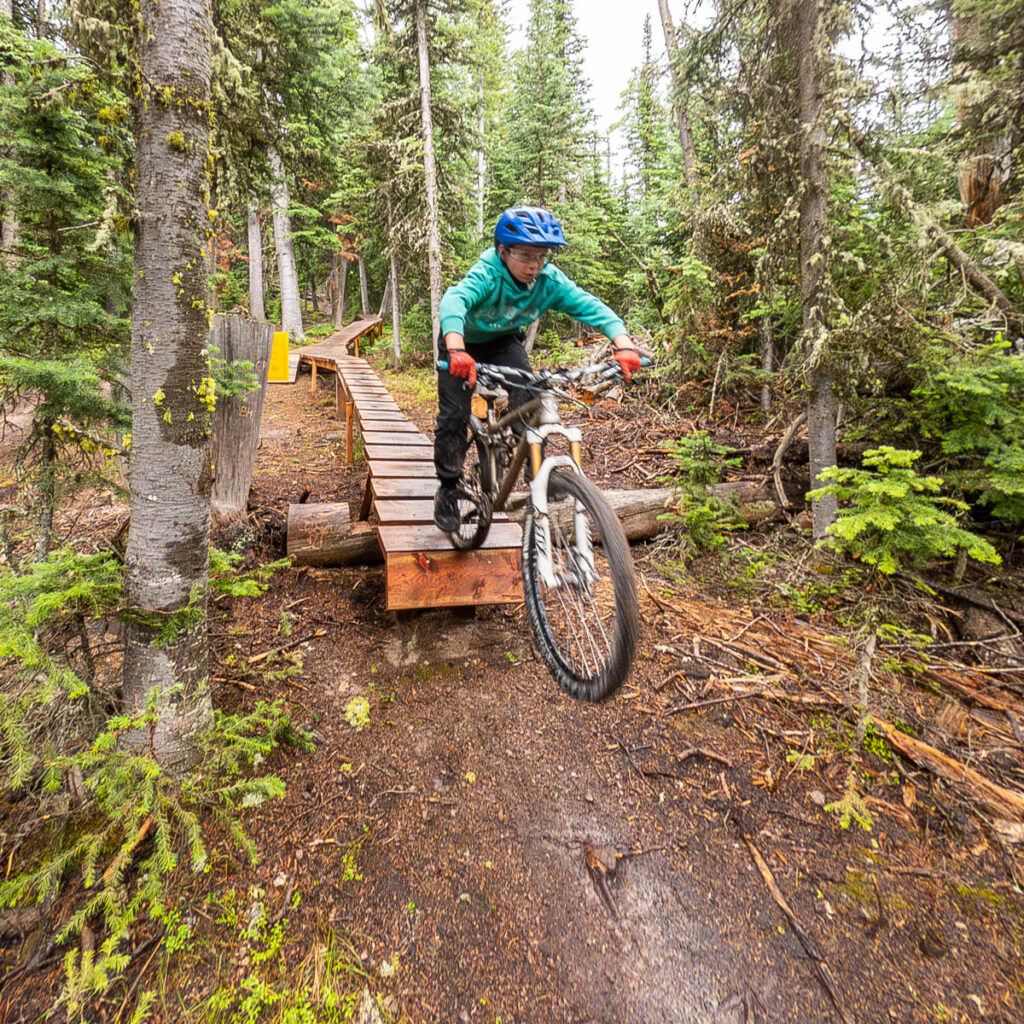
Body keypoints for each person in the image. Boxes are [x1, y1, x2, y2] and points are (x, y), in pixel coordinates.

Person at [433, 205, 642, 533]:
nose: (534, 265)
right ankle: (448, 489)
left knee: (531, 392)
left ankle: (538, 472)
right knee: (453, 417)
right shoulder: (487, 273)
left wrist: (624, 343)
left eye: (541, 256)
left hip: (502, 341)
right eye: (526, 255)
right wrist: (457, 348)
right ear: (503, 251)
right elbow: (453, 302)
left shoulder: (547, 280)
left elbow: (589, 305)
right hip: (461, 341)